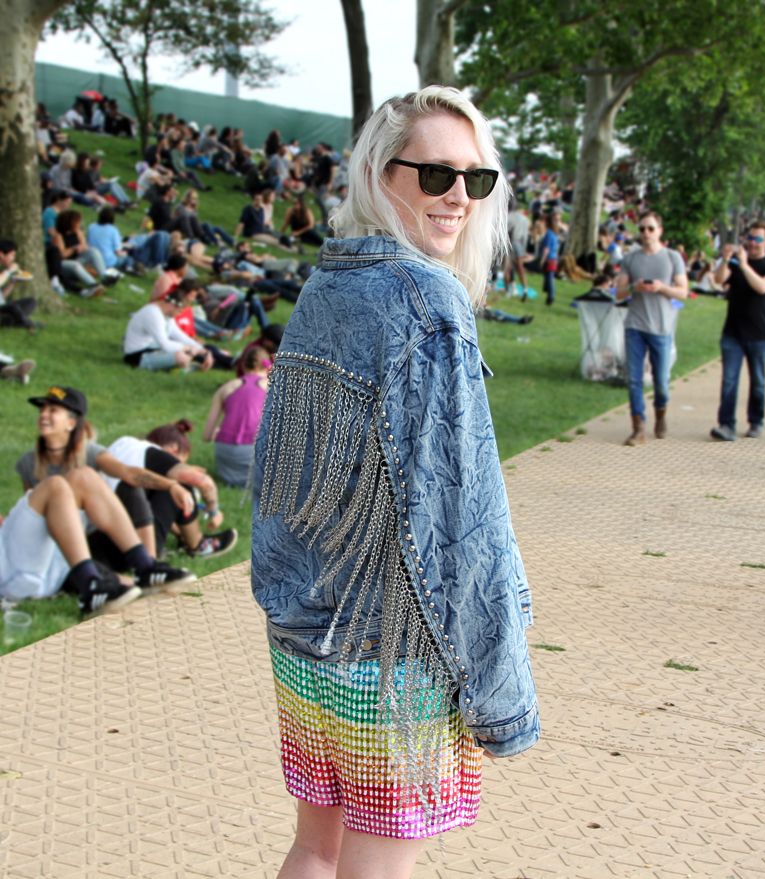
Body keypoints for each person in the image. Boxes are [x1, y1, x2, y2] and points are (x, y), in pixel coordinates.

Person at [252, 87, 538, 878]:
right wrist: (496, 683)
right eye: (437, 174)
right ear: (380, 173)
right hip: (395, 648)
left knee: (316, 847)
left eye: (477, 181)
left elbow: (283, 481)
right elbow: (456, 515)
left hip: (307, 629)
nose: (459, 197)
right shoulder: (426, 301)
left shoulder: (329, 282)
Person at [14, 386, 197, 591]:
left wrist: (171, 484)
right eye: (42, 410)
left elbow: (128, 472)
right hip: (67, 548)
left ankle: (149, 564)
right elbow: (34, 515)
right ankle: (121, 581)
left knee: (129, 486)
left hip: (107, 543)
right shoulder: (28, 463)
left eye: (52, 410)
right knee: (72, 575)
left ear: (71, 423)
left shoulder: (91, 453)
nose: (43, 415)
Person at [0, 469, 144, 617]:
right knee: (54, 486)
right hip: (12, 574)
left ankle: (145, 567)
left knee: (83, 477)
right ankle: (91, 587)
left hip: (49, 571)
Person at [101, 420, 238, 559]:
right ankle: (198, 545)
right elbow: (205, 482)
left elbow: (148, 508)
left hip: (99, 541)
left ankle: (184, 539)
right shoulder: (155, 454)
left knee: (165, 487)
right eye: (181, 461)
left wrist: (180, 532)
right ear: (174, 451)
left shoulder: (124, 444)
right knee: (180, 487)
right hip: (131, 550)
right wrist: (214, 512)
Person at [613, 211, 689, 445]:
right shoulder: (631, 258)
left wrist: (662, 288)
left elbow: (683, 292)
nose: (646, 233)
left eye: (651, 228)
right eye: (643, 228)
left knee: (661, 380)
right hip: (635, 326)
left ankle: (661, 413)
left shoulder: (672, 257)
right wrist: (635, 288)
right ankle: (639, 428)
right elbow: (619, 292)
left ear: (659, 231)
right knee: (634, 379)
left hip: (662, 327)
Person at [710, 221, 765, 441]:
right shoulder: (735, 263)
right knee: (729, 380)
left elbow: (762, 287)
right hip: (733, 332)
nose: (753, 242)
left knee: (758, 380)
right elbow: (720, 280)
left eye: (759, 239)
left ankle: (756, 421)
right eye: (750, 238)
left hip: (759, 333)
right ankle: (726, 424)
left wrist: (745, 265)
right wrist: (725, 259)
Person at [202, 347, 269, 486]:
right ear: (268, 367)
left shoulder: (225, 388)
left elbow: (207, 436)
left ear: (243, 366)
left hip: (226, 463)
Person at [123, 286, 214, 371]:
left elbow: (181, 336)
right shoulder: (153, 313)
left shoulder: (166, 314)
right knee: (180, 356)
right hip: (137, 356)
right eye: (179, 311)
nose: (179, 314)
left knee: (188, 352)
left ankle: (185, 366)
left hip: (152, 349)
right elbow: (165, 345)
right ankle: (184, 368)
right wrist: (189, 348)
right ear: (172, 306)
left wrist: (203, 351)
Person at [47, 210, 108, 297]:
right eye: (78, 222)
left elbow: (85, 246)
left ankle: (104, 277)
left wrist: (81, 247)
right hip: (63, 264)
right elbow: (61, 254)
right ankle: (94, 285)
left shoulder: (78, 232)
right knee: (75, 264)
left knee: (94, 251)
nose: (80, 224)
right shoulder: (58, 235)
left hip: (77, 259)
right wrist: (74, 248)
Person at [0, 240, 42, 331]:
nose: (13, 258)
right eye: (12, 255)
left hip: (3, 308)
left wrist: (12, 283)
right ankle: (27, 322)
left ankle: (17, 320)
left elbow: (1, 296)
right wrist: (9, 271)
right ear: (1, 254)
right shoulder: (4, 272)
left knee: (31, 301)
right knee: (13, 308)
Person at [506, 197, 530, 299]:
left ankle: (508, 290)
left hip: (510, 242)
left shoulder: (508, 216)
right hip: (519, 243)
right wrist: (523, 249)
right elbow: (525, 235)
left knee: (507, 268)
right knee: (520, 268)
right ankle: (525, 288)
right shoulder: (524, 219)